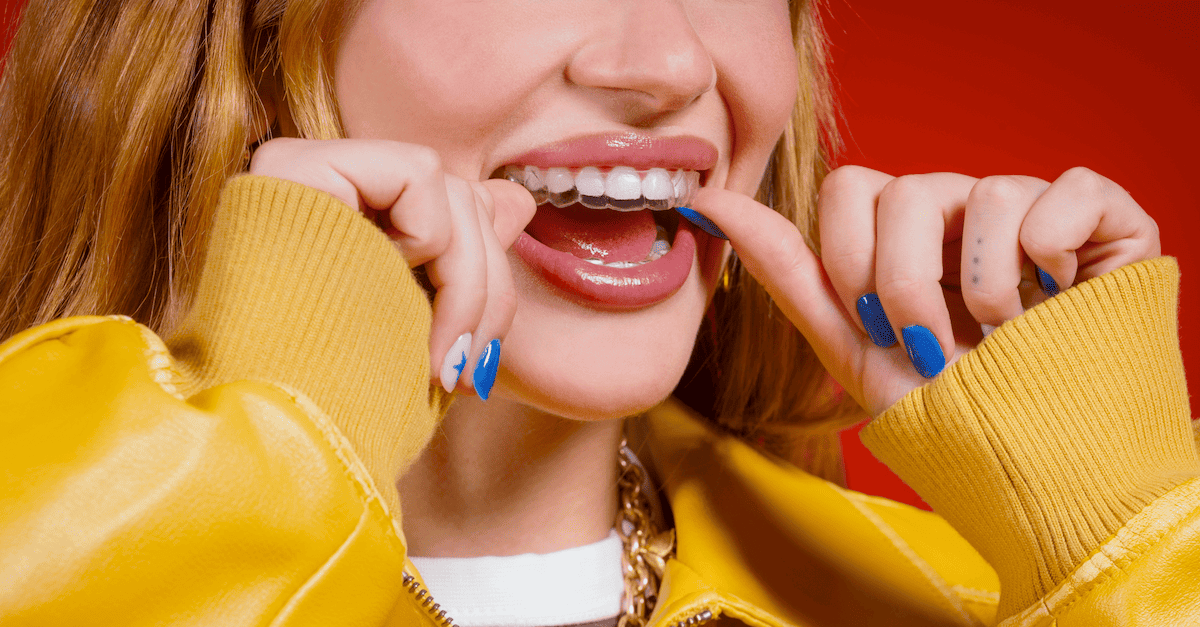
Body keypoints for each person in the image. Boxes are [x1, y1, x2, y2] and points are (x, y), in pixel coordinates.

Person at [0, 0, 1196, 625]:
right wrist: (245, 467)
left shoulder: (961, 604)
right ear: (251, 34)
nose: (667, 63)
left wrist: (1128, 536)